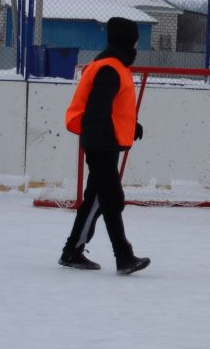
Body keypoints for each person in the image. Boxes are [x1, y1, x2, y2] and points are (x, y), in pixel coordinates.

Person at [58, 17, 151, 274]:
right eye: (135, 40)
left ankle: (72, 251)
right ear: (127, 41)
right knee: (111, 199)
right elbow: (97, 111)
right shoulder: (109, 68)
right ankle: (123, 256)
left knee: (98, 198)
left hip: (103, 142)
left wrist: (132, 126)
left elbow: (112, 108)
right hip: (101, 144)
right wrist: (100, 145)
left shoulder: (113, 66)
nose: (137, 45)